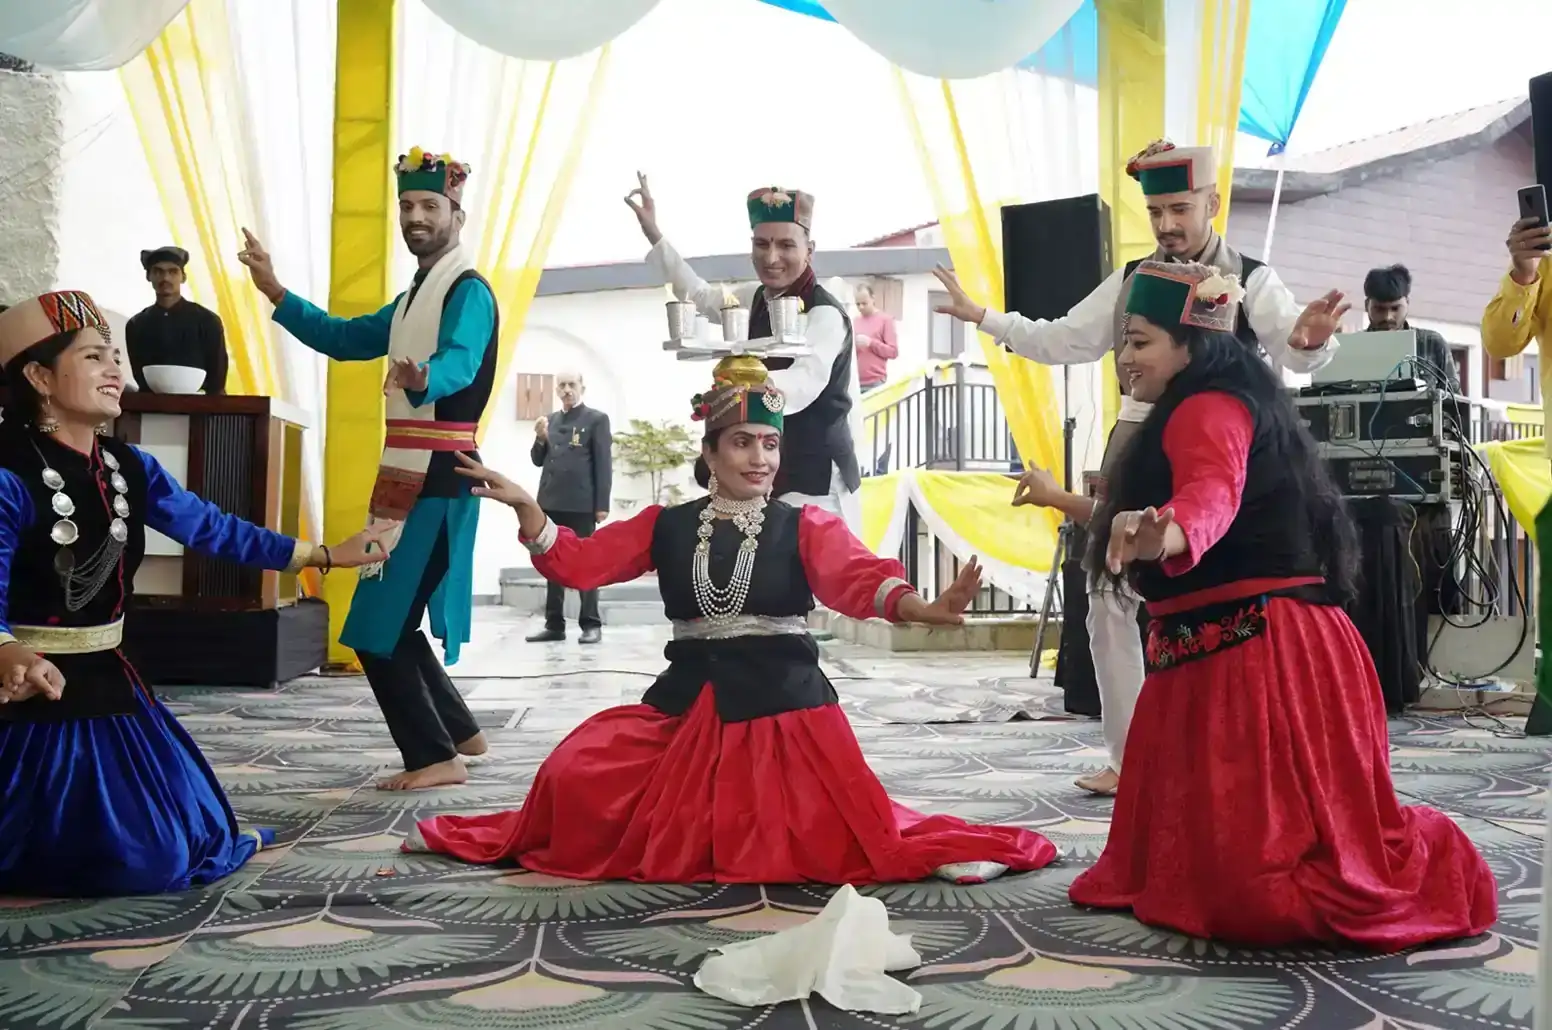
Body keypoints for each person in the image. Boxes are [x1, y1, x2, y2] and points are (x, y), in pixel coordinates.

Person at [403, 356, 1057, 884]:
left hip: (787, 711)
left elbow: (859, 580)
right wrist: (526, 507)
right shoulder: (667, 525)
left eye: (770, 444)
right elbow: (579, 565)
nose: (760, 458)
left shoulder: (806, 525)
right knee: (573, 774)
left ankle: (929, 850)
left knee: (815, 834)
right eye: (742, 442)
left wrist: (925, 607)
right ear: (711, 452)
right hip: (686, 704)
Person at [1066, 261, 1497, 949]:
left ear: (1191, 345)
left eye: (1140, 340)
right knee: (1212, 872)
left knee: (1262, 894)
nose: (1124, 357)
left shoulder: (1208, 409)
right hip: (1256, 645)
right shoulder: (1217, 399)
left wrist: (1169, 531)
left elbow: (1210, 494)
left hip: (1264, 659)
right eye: (1123, 340)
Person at [933, 139, 1347, 798]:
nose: (1166, 226)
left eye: (1179, 209)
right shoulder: (1132, 280)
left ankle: (1230, 759)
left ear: (1213, 203)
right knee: (1108, 599)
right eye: (1155, 212)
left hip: (1224, 464)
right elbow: (1061, 337)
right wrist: (983, 316)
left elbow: (1294, 351)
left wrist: (1313, 340)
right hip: (1136, 455)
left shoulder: (1252, 277)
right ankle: (1133, 761)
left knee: (1219, 609)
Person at [0, 289, 387, 896]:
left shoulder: (127, 466)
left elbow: (212, 528)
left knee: (180, 840)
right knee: (128, 859)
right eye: (95, 356)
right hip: (23, 698)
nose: (115, 369)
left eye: (115, 356)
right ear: (40, 376)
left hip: (108, 681)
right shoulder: (7, 472)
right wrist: (8, 651)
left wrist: (324, 555)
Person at [238, 146, 497, 791]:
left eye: (429, 205)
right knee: (390, 615)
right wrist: (275, 290)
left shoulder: (468, 292)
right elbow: (346, 338)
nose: (415, 216)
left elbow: (464, 359)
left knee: (375, 627)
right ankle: (458, 731)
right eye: (407, 205)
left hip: (440, 473)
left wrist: (425, 375)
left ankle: (435, 758)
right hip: (412, 475)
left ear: (456, 214)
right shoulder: (415, 297)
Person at [626, 173, 863, 534]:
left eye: (786, 245)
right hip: (766, 473)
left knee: (821, 581)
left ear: (809, 251)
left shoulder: (825, 313)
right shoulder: (754, 297)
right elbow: (702, 297)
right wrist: (654, 235)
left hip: (816, 481)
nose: (772, 257)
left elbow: (801, 385)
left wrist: (738, 382)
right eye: (761, 244)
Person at [527, 370, 612, 644]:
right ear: (557, 390)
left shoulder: (596, 420)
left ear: (581, 388)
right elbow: (538, 460)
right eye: (562, 385)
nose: (566, 390)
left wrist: (601, 504)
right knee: (552, 564)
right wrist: (540, 438)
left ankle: (591, 623)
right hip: (550, 503)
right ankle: (554, 624)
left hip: (582, 504)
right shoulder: (550, 420)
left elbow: (603, 464)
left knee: (587, 563)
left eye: (571, 385)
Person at [125, 246, 228, 395]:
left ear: (183, 277)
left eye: (173, 272)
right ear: (148, 276)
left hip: (200, 409)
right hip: (152, 410)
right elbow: (140, 377)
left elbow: (217, 380)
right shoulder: (137, 324)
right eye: (158, 271)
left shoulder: (207, 321)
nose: (165, 278)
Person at [1362, 264, 1457, 390]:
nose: (1388, 317)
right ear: (1366, 305)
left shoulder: (1432, 343)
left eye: (1395, 308)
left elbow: (1455, 403)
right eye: (1379, 309)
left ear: (1407, 303)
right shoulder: (1349, 350)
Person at [853, 282, 898, 391]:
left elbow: (893, 352)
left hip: (876, 382)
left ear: (873, 298)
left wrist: (871, 343)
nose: (861, 307)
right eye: (858, 304)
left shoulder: (885, 320)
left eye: (864, 303)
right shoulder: (855, 322)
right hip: (855, 382)